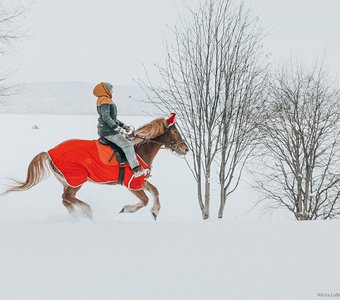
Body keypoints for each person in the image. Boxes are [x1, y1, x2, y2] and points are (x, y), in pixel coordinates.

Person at [93, 82, 146, 177]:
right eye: (110, 89)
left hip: (107, 129)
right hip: (108, 131)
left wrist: (123, 125)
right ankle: (136, 169)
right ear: (105, 90)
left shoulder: (104, 100)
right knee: (128, 145)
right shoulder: (105, 100)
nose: (112, 91)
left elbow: (112, 118)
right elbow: (106, 117)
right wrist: (116, 127)